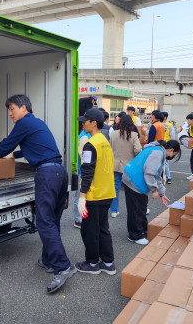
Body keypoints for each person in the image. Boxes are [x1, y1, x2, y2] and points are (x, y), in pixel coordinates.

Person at [0, 95, 76, 294]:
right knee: (52, 221)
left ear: (23, 108)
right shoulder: (36, 123)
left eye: (12, 109)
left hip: (47, 175)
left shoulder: (24, 122)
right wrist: (15, 155)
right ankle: (48, 259)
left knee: (44, 222)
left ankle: (62, 267)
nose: (10, 113)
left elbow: (8, 143)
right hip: (59, 173)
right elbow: (35, 146)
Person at [75, 108, 117, 275]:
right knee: (102, 229)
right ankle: (108, 263)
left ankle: (92, 263)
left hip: (94, 195)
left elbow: (87, 172)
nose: (82, 123)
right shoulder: (104, 141)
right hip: (107, 194)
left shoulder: (90, 145)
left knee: (89, 230)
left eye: (85, 121)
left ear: (93, 123)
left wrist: (82, 197)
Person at [122, 140, 181, 245]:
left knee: (141, 206)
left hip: (132, 178)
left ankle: (143, 228)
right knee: (136, 209)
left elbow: (157, 175)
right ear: (171, 150)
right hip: (134, 181)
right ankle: (134, 235)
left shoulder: (157, 150)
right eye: (174, 155)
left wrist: (162, 193)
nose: (172, 157)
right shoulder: (158, 153)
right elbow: (149, 173)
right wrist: (154, 190)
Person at [109, 114, 142, 218]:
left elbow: (110, 149)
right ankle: (136, 208)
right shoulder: (133, 135)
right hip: (130, 166)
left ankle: (114, 210)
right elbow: (138, 150)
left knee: (115, 188)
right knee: (133, 189)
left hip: (115, 165)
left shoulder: (113, 134)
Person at [72, 129, 91, 228]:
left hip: (84, 170)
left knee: (82, 195)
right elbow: (82, 155)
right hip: (82, 171)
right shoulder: (84, 137)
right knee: (80, 195)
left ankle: (81, 217)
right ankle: (77, 219)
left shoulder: (88, 135)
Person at [162, 112, 176, 184]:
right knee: (164, 162)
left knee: (165, 162)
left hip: (166, 145)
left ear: (165, 117)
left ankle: (168, 177)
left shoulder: (169, 125)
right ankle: (166, 177)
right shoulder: (161, 124)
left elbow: (172, 136)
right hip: (162, 144)